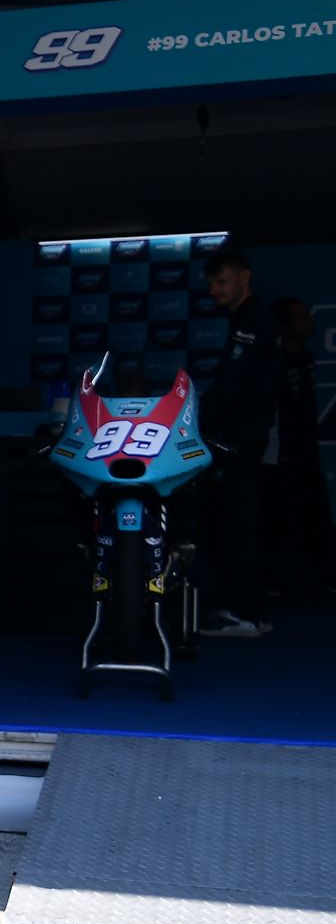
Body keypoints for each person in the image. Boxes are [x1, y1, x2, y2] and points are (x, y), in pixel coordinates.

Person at [193, 246, 280, 638]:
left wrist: (192, 419)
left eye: (221, 281)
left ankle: (248, 613)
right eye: (211, 283)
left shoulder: (254, 321)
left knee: (236, 526)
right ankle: (250, 610)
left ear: (244, 279)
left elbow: (233, 385)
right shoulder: (248, 319)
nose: (214, 289)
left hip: (240, 440)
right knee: (233, 524)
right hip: (242, 437)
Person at [265, 297, 332, 600]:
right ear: (284, 326)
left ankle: (318, 581)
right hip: (282, 456)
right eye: (302, 318)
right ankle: (279, 583)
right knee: (282, 519)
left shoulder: (305, 358)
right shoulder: (275, 362)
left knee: (314, 516)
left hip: (307, 453)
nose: (310, 322)